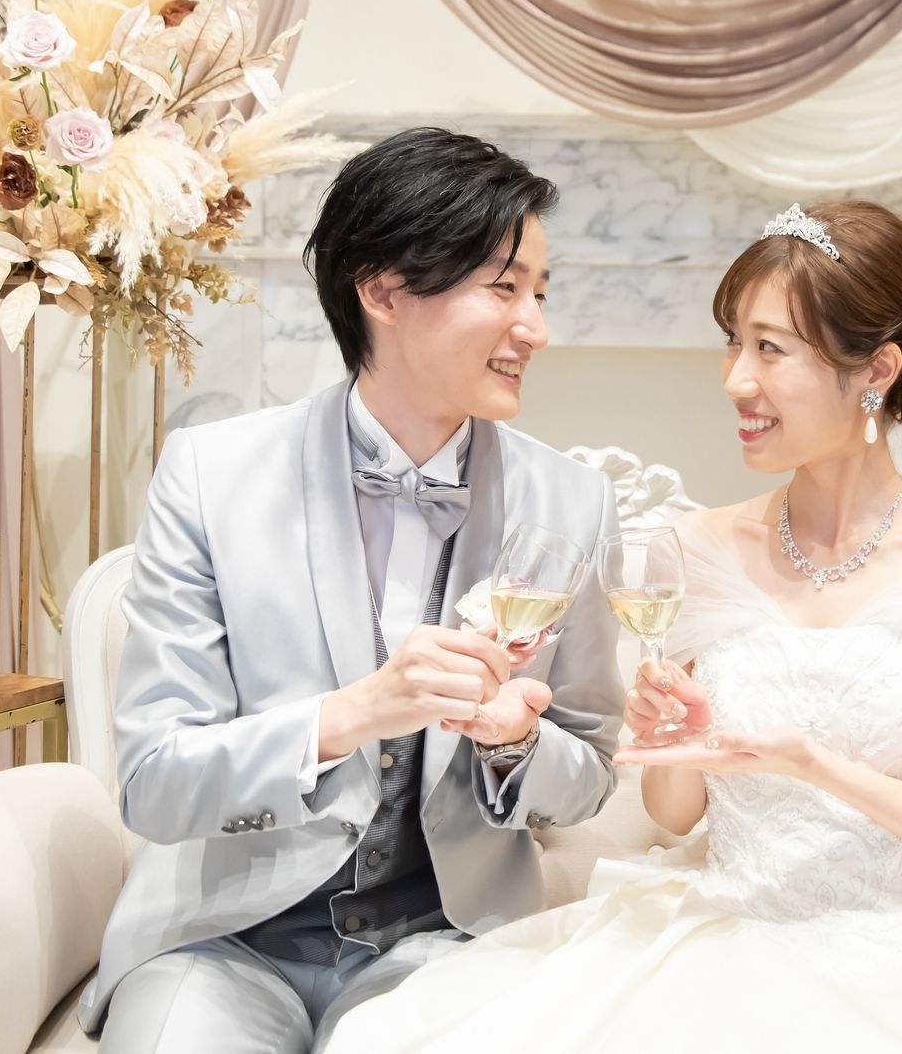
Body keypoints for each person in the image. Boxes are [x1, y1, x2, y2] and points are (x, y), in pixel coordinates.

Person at [322, 199, 902, 1052]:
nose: (736, 378)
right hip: (730, 931)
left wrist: (813, 764)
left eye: (770, 348)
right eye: (733, 342)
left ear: (876, 370)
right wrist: (675, 739)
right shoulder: (697, 548)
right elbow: (673, 815)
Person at [78, 127, 624, 1053]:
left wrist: (515, 744)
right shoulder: (211, 475)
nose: (535, 327)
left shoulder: (571, 502)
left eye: (540, 292)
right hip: (220, 940)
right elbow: (154, 784)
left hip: (444, 943)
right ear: (383, 291)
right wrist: (352, 715)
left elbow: (591, 775)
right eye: (504, 288)